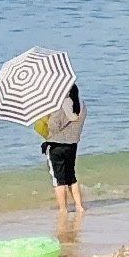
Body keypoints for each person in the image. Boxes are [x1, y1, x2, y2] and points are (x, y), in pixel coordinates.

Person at [34, 79, 86, 224]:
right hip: (72, 144)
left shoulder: (58, 107)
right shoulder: (81, 105)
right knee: (71, 177)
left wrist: (45, 116)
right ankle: (79, 206)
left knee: (59, 179)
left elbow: (53, 126)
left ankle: (63, 209)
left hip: (56, 146)